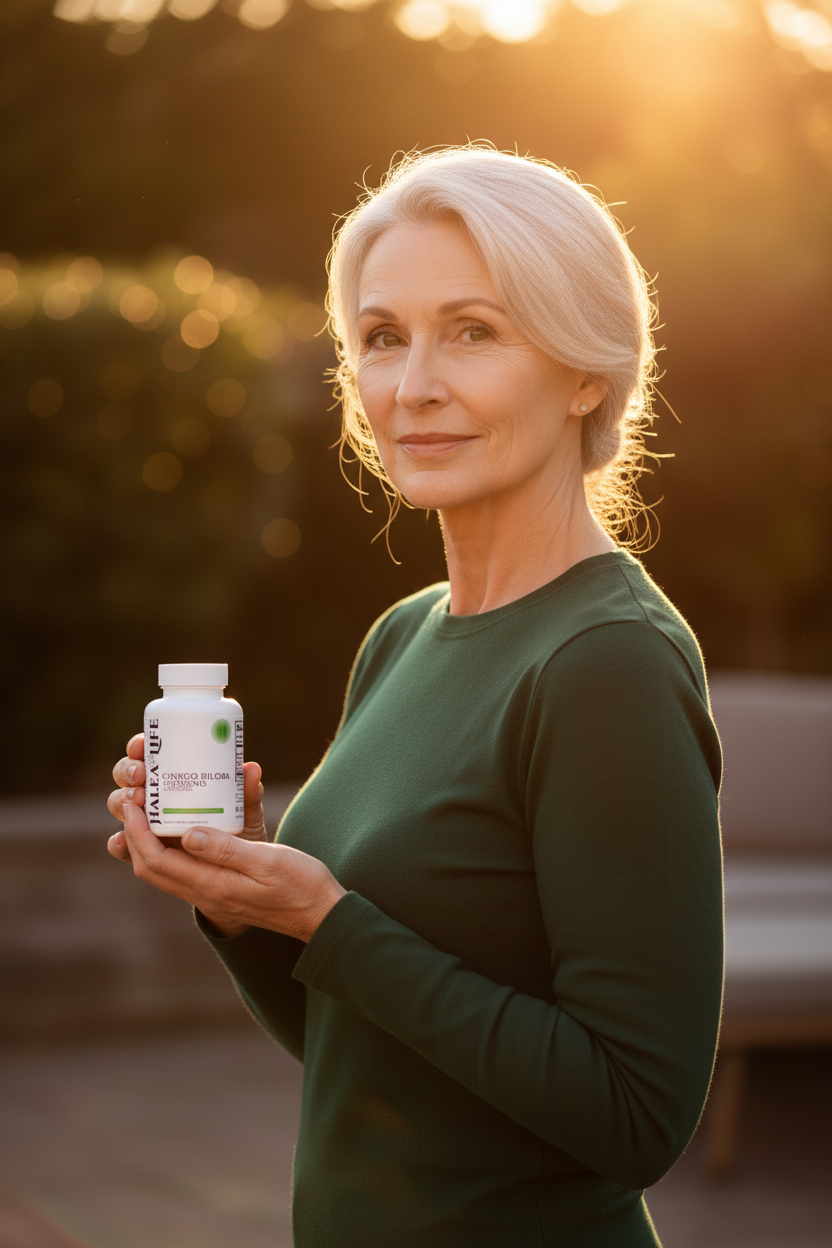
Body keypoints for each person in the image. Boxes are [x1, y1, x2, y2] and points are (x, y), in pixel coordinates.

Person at [108, 147, 723, 1248]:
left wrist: (329, 918)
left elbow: (636, 1116)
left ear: (586, 371)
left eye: (474, 330)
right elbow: (363, 1043)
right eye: (384, 338)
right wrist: (239, 902)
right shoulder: (402, 637)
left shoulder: (606, 664)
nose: (414, 384)